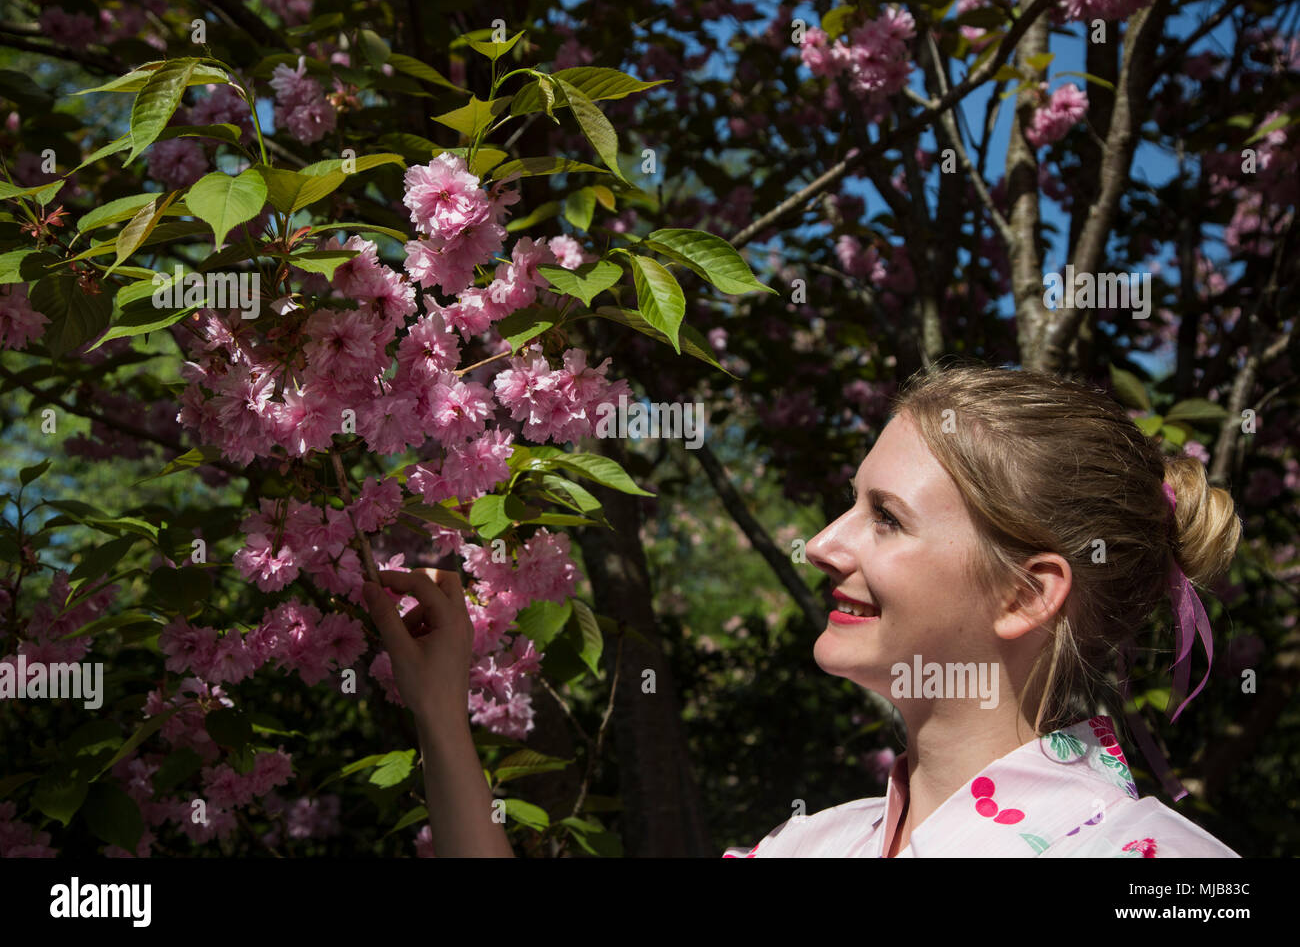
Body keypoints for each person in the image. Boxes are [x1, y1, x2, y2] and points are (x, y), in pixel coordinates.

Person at [363, 362, 1243, 858]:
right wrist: (441, 710)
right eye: (848, 503)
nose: (823, 543)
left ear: (1027, 593)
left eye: (885, 518)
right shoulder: (811, 845)